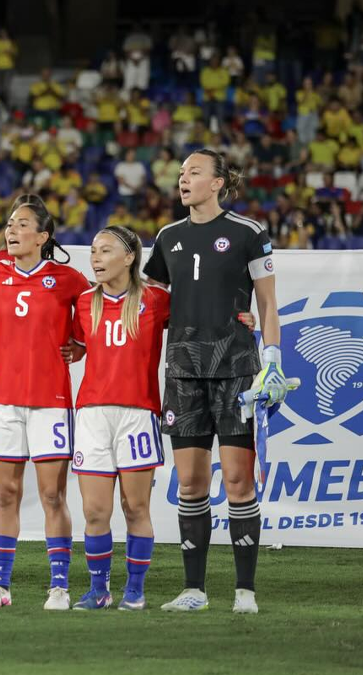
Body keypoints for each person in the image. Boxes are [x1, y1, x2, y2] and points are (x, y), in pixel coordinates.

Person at [144, 149, 283, 614]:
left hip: (237, 371)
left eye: (194, 172)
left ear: (218, 183)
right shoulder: (166, 238)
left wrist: (272, 357)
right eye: (181, 173)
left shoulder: (249, 233)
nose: (183, 179)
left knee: (240, 481)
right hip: (183, 371)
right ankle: (194, 590)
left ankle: (245, 591)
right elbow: (152, 308)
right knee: (190, 483)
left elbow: (267, 304)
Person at [0, 194, 89, 611]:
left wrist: (77, 346)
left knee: (52, 496)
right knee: (5, 494)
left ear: (42, 236)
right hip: (3, 402)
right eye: (9, 223)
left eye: (23, 224)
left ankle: (59, 586)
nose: (12, 230)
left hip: (50, 401)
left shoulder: (68, 279)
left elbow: (91, 321)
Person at [68, 225, 169, 610]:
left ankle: (135, 589)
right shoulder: (83, 302)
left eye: (105, 250)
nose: (96, 257)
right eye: (93, 250)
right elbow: (74, 347)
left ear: (129, 257)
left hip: (138, 413)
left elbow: (198, 319)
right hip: (92, 414)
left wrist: (243, 315)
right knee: (95, 511)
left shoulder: (157, 300)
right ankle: (99, 590)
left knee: (135, 507)